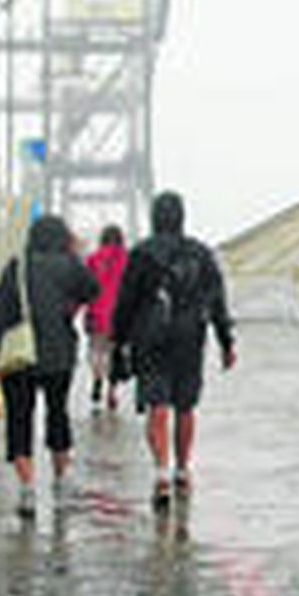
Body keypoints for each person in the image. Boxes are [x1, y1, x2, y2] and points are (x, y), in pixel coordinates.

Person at [112, 191, 236, 510]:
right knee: (185, 406)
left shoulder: (141, 254)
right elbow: (217, 300)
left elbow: (126, 302)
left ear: (154, 217)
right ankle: (182, 469)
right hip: (190, 337)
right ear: (182, 217)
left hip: (151, 338)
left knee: (157, 404)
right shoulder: (201, 253)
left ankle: (160, 473)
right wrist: (226, 342)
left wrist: (118, 340)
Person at [0, 213, 100, 519]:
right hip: (59, 354)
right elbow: (93, 289)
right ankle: (60, 480)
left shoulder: (17, 267)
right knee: (57, 413)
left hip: (20, 357)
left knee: (19, 419)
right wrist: (68, 306)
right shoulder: (69, 264)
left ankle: (27, 490)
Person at [84, 224, 129, 411]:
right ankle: (111, 391)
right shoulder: (126, 259)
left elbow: (85, 286)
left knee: (97, 350)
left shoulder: (92, 259)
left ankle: (97, 377)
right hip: (119, 315)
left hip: (96, 313)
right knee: (115, 353)